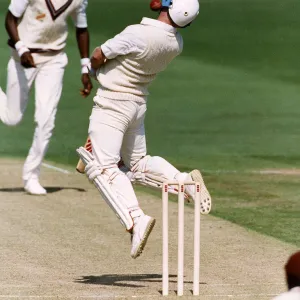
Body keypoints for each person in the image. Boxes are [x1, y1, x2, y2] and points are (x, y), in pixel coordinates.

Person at [77, 0, 212, 259]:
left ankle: (135, 219)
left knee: (104, 170)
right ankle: (184, 182)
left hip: (112, 104)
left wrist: (92, 71)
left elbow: (98, 54)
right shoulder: (176, 43)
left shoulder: (137, 33)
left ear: (171, 7)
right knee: (137, 165)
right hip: (137, 104)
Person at [0, 0, 92, 195]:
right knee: (12, 118)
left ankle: (31, 176)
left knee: (46, 120)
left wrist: (85, 67)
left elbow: (81, 29)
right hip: (22, 58)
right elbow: (10, 19)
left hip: (54, 60)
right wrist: (21, 48)